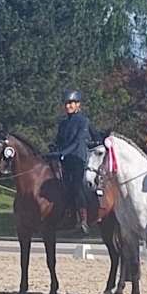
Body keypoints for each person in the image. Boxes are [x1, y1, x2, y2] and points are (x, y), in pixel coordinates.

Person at [46, 89, 97, 234]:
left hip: (77, 159)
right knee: (61, 186)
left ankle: (83, 219)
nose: (67, 106)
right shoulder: (63, 124)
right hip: (65, 159)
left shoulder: (83, 121)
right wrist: (53, 150)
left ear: (78, 104)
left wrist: (63, 153)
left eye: (70, 103)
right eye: (66, 103)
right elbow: (59, 141)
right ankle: (67, 215)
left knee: (76, 187)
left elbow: (77, 141)